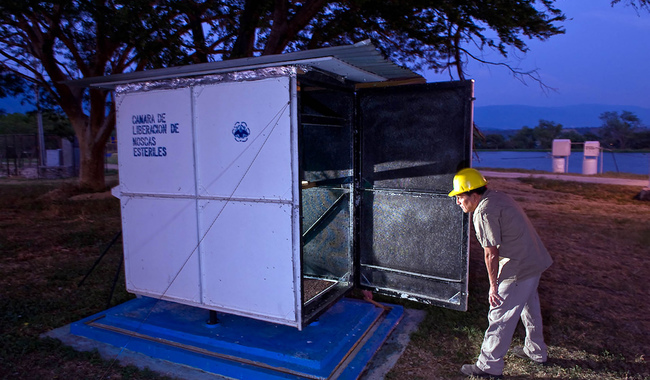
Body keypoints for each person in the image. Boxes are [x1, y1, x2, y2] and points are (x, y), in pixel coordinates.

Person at [448, 168, 553, 379]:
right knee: (529, 307)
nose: (458, 202)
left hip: (518, 267)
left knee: (499, 313)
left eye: (460, 197)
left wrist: (493, 286)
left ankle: (488, 367)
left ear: (474, 195)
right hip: (534, 261)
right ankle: (536, 351)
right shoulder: (498, 197)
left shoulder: (483, 212)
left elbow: (490, 254)